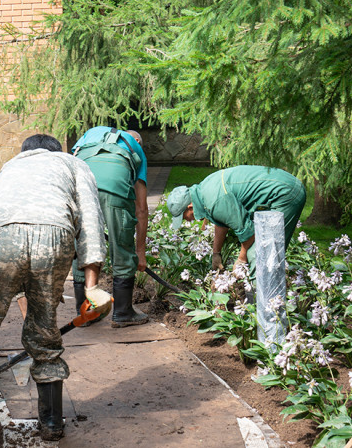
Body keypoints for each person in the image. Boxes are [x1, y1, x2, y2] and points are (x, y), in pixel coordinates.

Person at [0, 134, 110, 439]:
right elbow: (91, 223)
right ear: (57, 151)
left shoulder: (10, 165)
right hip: (55, 234)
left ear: (25, 152)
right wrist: (91, 287)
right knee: (44, 326)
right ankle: (51, 422)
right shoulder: (73, 163)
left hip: (2, 237)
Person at [69, 126, 151, 327]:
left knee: (82, 247)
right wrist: (140, 252)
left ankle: (87, 312)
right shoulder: (135, 148)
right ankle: (123, 313)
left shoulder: (90, 134)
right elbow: (141, 209)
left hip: (81, 185)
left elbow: (72, 161)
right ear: (137, 142)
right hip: (115, 187)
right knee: (121, 247)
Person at [166, 166, 306, 279]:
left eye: (184, 216)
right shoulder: (204, 191)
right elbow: (222, 221)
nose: (187, 221)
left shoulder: (215, 200)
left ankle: (264, 308)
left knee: (260, 256)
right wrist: (216, 253)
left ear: (190, 207)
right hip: (281, 186)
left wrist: (241, 260)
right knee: (259, 254)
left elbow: (248, 233)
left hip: (286, 194)